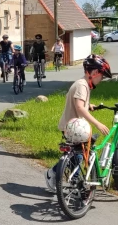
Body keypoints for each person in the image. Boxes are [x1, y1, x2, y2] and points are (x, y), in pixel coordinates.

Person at [47, 54, 113, 190]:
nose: (102, 79)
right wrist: (97, 123)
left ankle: (60, 175)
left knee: (76, 157)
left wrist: (88, 104)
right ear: (94, 73)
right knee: (76, 157)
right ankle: (60, 176)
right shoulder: (82, 85)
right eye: (102, 76)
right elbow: (78, 107)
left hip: (74, 127)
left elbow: (77, 101)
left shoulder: (82, 83)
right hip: (73, 128)